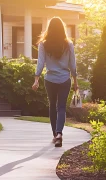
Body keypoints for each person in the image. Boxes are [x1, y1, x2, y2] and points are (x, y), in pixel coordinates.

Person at [32, 17, 78, 148]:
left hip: (50, 80)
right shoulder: (68, 44)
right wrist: (75, 81)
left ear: (49, 28)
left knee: (52, 106)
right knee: (61, 107)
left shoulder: (44, 44)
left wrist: (36, 79)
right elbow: (72, 64)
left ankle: (54, 135)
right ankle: (59, 133)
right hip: (64, 79)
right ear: (62, 29)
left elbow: (40, 63)